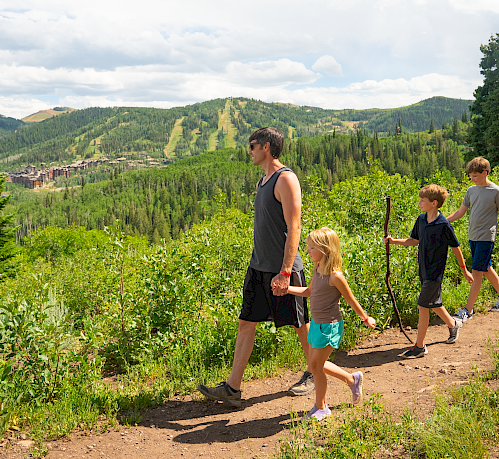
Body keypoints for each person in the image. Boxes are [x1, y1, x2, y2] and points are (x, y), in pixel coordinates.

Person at [198, 127, 313, 407]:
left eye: (252, 146)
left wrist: (285, 272)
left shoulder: (285, 179)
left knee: (300, 325)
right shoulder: (264, 181)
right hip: (258, 267)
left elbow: (294, 226)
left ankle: (314, 372)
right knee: (246, 323)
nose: (249, 151)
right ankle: (232, 389)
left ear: (266, 147)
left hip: (282, 269)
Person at [277, 227, 376, 421]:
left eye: (312, 247)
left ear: (325, 249)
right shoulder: (317, 269)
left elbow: (350, 299)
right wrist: (287, 289)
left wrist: (365, 318)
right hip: (316, 324)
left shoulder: (335, 276)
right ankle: (351, 379)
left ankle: (321, 407)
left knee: (315, 366)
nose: (308, 251)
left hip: (330, 326)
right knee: (315, 365)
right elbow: (309, 292)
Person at [384, 184, 473, 359]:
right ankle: (453, 323)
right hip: (423, 269)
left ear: (434, 203)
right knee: (433, 303)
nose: (419, 203)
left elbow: (456, 247)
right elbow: (414, 240)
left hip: (435, 272)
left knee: (423, 305)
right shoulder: (421, 220)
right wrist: (393, 241)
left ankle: (420, 346)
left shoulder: (443, 224)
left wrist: (464, 270)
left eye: (422, 201)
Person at [447, 157, 499, 321]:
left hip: (486, 237)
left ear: (485, 173)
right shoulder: (471, 190)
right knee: (486, 268)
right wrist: (441, 222)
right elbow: (460, 212)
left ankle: (468, 310)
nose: (472, 179)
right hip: (473, 236)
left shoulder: (496, 191)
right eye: (470, 176)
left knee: (477, 271)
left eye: (475, 175)